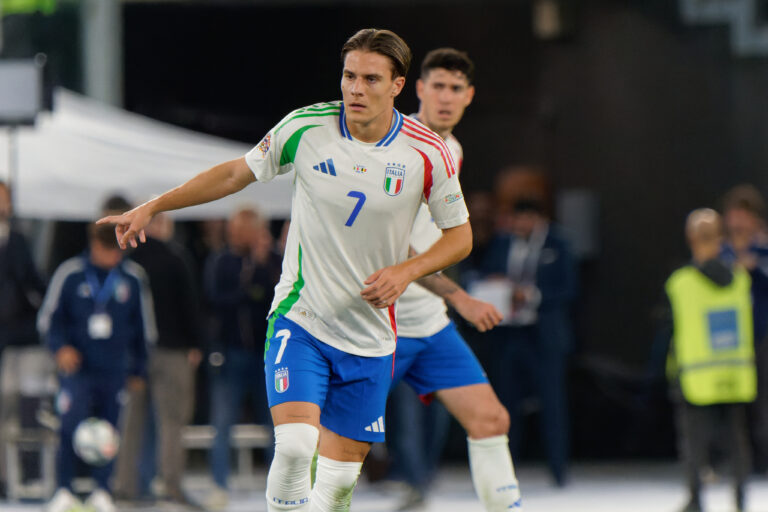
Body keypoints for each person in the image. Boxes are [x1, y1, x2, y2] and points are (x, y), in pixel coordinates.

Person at [98, 28, 472, 512]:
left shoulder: (427, 151)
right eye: (349, 76)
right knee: (296, 447)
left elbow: (460, 237)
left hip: (371, 337)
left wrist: (406, 271)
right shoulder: (306, 127)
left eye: (371, 79)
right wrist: (154, 205)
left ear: (398, 85)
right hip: (302, 320)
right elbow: (234, 173)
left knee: (336, 488)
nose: (355, 89)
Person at [386, 48, 522, 511]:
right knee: (334, 447)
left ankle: (421, 485)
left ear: (469, 96)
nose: (446, 97)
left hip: (427, 320)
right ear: (419, 90)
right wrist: (460, 296)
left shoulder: (454, 150)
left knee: (491, 420)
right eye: (438, 86)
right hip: (376, 324)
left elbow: (436, 240)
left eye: (455, 88)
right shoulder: (393, 148)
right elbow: (390, 248)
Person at [37, 220, 156, 512]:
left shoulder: (132, 277)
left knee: (109, 432)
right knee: (69, 426)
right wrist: (60, 348)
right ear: (94, 245)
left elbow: (144, 328)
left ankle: (103, 490)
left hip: (114, 369)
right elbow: (49, 320)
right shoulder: (70, 273)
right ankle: (64, 489)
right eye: (107, 250)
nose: (114, 257)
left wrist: (138, 369)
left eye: (118, 251)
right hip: (76, 369)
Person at [480, 196, 577, 487]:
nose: (520, 225)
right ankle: (506, 470)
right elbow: (486, 273)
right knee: (506, 403)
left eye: (525, 219)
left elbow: (570, 288)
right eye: (516, 219)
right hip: (510, 334)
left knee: (552, 403)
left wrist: (532, 295)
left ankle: (558, 470)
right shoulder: (502, 242)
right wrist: (495, 283)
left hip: (543, 335)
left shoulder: (558, 244)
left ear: (538, 218)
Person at [666, 209, 755, 512]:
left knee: (694, 444)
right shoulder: (740, 280)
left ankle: (696, 500)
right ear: (720, 238)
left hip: (696, 376)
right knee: (737, 441)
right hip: (734, 374)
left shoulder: (680, 283)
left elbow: (669, 329)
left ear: (690, 238)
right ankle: (740, 500)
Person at [112, 211, 203, 506]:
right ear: (162, 225)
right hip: (172, 351)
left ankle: (125, 486)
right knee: (172, 422)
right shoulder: (174, 258)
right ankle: (170, 486)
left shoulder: (128, 261)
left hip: (135, 354)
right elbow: (189, 304)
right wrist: (195, 343)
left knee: (131, 423)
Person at [203, 207, 281, 509]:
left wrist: (261, 265)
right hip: (231, 352)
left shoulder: (273, 260)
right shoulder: (221, 261)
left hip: (267, 354)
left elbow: (277, 297)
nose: (235, 235)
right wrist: (250, 283)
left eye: (242, 230)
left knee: (276, 422)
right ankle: (219, 484)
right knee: (222, 422)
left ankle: (281, 484)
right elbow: (217, 300)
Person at [0, 180, 47, 493]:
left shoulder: (18, 240)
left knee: (28, 408)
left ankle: (29, 474)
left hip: (21, 340)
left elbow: (34, 282)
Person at [720, 184, 768, 473]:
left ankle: (763, 458)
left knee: (763, 399)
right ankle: (735, 458)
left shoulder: (764, 248)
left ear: (754, 218)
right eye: (733, 214)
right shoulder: (720, 250)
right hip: (728, 337)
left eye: (742, 215)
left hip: (762, 334)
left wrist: (755, 266)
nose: (736, 221)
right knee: (733, 402)